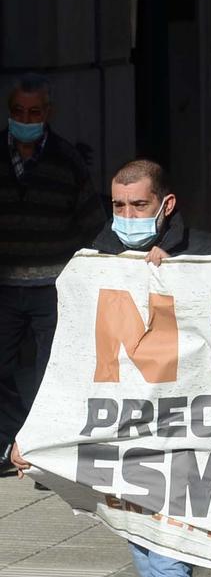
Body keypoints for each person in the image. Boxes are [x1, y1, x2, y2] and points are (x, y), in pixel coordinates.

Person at [65, 160, 211, 577]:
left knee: (168, 569)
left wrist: (180, 282)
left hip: (189, 441)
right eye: (119, 206)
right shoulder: (99, 258)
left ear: (167, 203)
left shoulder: (205, 254)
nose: (128, 217)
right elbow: (75, 352)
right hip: (125, 441)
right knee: (157, 569)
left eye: (139, 206)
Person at [0, 74, 104, 464]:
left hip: (53, 288)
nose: (25, 118)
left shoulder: (66, 159)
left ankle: (45, 452)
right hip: (5, 288)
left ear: (48, 113)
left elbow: (92, 223)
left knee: (52, 373)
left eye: (34, 111)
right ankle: (9, 443)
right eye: (18, 111)